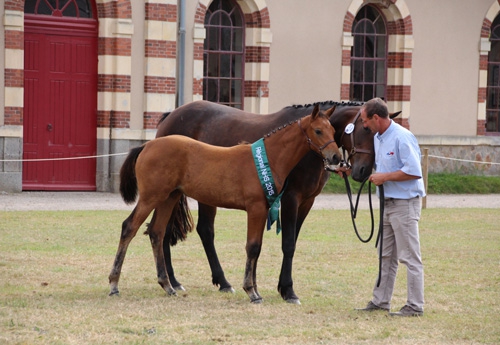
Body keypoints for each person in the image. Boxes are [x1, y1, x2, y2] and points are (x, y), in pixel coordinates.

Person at [355, 97, 426, 317]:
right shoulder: (378, 138)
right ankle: (380, 301)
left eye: (366, 120)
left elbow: (414, 171)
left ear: (376, 118)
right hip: (387, 203)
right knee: (385, 255)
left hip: (405, 204)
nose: (364, 125)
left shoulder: (403, 137)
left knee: (410, 256)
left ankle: (415, 305)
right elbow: (381, 166)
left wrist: (384, 177)